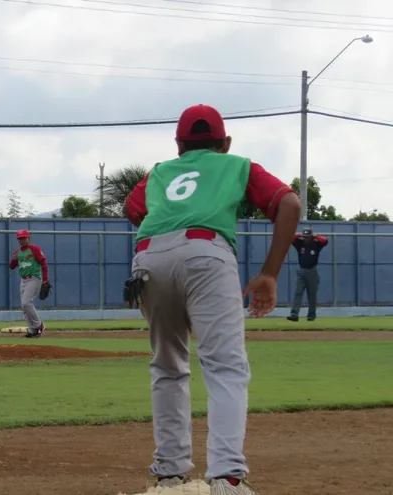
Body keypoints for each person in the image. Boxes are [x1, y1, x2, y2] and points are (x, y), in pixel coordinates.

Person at [122, 104, 301, 494]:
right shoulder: (237, 164)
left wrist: (170, 225)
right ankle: (227, 477)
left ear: (179, 145)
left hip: (148, 255)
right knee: (225, 366)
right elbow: (290, 203)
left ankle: (169, 473)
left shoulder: (159, 171)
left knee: (167, 366)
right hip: (206, 253)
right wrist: (269, 272)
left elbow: (132, 209)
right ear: (226, 142)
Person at [9, 229, 50, 338]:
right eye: (20, 238)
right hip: (23, 280)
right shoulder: (17, 252)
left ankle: (39, 325)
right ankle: (33, 330)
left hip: (34, 278)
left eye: (24, 238)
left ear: (28, 238)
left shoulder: (34, 249)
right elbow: (12, 266)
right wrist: (13, 259)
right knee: (24, 306)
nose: (22, 240)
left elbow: (44, 264)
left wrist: (45, 279)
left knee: (26, 303)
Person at [287, 227, 328, 322]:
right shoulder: (300, 243)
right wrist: (301, 235)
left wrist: (315, 236)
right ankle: (294, 315)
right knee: (298, 292)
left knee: (312, 295)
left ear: (311, 236)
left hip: (312, 271)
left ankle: (311, 316)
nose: (306, 238)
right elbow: (291, 238)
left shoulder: (316, 244)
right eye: (304, 236)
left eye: (308, 236)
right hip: (302, 271)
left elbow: (325, 240)